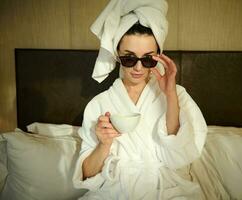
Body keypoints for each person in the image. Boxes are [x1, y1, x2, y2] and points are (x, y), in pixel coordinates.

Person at [73, 0, 207, 199]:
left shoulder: (177, 96)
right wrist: (104, 144)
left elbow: (179, 156)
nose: (138, 68)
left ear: (159, 56)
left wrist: (170, 95)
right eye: (129, 58)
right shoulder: (99, 105)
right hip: (115, 190)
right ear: (118, 56)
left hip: (165, 189)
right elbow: (87, 175)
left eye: (147, 59)